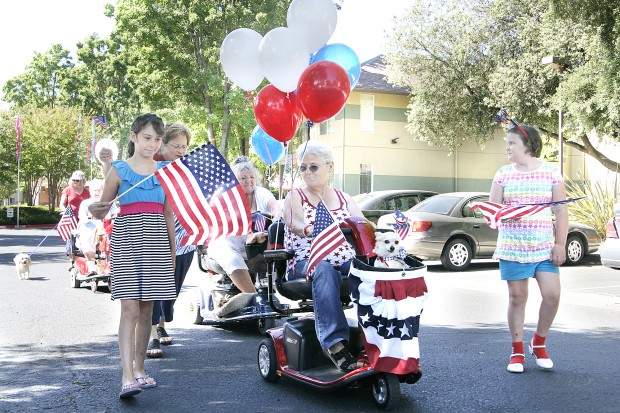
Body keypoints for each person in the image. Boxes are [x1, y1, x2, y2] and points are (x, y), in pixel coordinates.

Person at [89, 113, 177, 399]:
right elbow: (102, 208)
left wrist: (172, 253)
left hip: (156, 244)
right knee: (129, 309)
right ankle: (126, 376)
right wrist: (96, 209)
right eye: (147, 138)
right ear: (134, 137)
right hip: (127, 241)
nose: (152, 144)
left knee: (147, 310)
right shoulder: (118, 170)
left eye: (157, 139)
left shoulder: (165, 172)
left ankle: (140, 369)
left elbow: (168, 216)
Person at [489, 124, 568, 374]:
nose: (507, 147)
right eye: (507, 143)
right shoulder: (502, 174)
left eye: (512, 143)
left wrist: (560, 244)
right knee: (517, 298)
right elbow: (493, 214)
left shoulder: (551, 173)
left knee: (553, 296)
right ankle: (517, 351)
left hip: (544, 248)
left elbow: (561, 210)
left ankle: (539, 343)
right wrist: (503, 215)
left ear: (528, 146)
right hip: (513, 248)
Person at [282, 140, 365, 372]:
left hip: (343, 260)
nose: (308, 172)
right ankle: (335, 345)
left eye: (314, 167)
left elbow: (363, 225)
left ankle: (375, 332)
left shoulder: (344, 198)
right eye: (303, 167)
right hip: (306, 262)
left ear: (330, 167)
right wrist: (308, 229)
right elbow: (295, 222)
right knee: (325, 268)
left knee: (367, 269)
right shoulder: (295, 196)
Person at [205, 156, 280, 316]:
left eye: (252, 177)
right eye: (243, 178)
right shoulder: (224, 195)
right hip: (226, 243)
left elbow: (274, 207)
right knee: (232, 259)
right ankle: (252, 297)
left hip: (254, 243)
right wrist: (249, 235)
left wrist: (277, 220)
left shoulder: (261, 193)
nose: (249, 181)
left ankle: (267, 292)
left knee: (277, 249)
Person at [146, 123, 196, 358]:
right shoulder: (151, 166)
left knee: (172, 288)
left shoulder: (187, 169)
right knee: (156, 285)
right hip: (157, 234)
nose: (181, 150)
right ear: (163, 144)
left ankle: (163, 320)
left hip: (185, 237)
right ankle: (152, 334)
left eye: (184, 146)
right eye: (176, 145)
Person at [76, 179, 117, 274]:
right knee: (88, 236)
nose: (97, 193)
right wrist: (91, 217)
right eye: (95, 190)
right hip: (90, 228)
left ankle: (112, 264)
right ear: (90, 191)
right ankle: (91, 266)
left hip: (106, 229)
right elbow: (82, 217)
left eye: (99, 190)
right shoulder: (85, 203)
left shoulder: (109, 203)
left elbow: (115, 214)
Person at [60, 170, 91, 261]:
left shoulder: (86, 192)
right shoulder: (68, 190)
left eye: (78, 180)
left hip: (83, 218)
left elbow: (90, 204)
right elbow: (62, 204)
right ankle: (72, 259)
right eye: (74, 180)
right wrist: (65, 211)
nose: (76, 182)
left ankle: (82, 256)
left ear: (82, 181)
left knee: (83, 236)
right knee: (71, 238)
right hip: (71, 218)